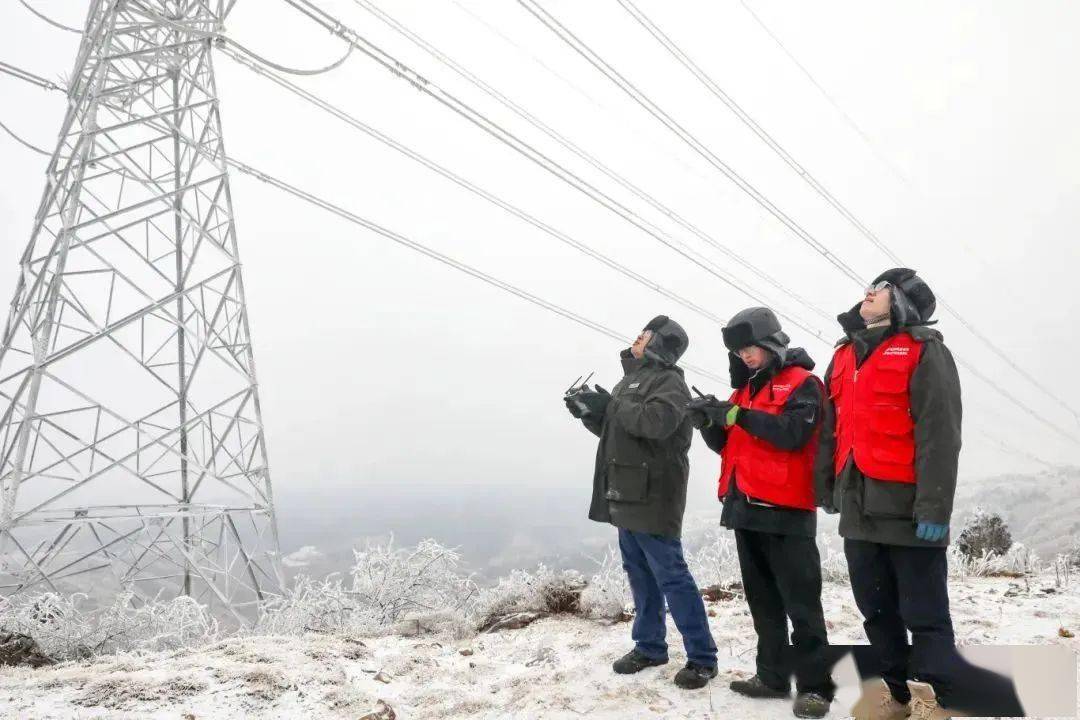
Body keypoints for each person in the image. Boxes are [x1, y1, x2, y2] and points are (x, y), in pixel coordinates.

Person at [816, 268, 1024, 719]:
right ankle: (899, 695)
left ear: (904, 301)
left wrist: (934, 505)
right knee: (876, 611)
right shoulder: (844, 355)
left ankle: (940, 699)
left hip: (909, 509)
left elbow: (940, 433)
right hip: (858, 508)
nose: (868, 292)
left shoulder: (924, 350)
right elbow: (831, 429)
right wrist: (828, 486)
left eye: (881, 289)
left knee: (924, 614)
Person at [686, 307, 834, 719]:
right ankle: (770, 677)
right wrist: (709, 423)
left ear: (771, 343)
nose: (745, 357)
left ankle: (816, 687)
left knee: (802, 605)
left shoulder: (804, 384)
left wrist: (738, 415)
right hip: (745, 509)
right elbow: (731, 446)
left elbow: (793, 435)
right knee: (763, 602)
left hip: (787, 512)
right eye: (739, 352)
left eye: (750, 348)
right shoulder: (744, 392)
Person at [564, 315, 718, 689]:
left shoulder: (670, 383)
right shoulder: (630, 379)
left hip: (655, 493)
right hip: (626, 490)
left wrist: (612, 405)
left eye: (646, 334)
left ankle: (702, 657)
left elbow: (655, 424)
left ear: (660, 343)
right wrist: (590, 414)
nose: (638, 335)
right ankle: (650, 646)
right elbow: (619, 431)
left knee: (672, 576)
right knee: (640, 574)